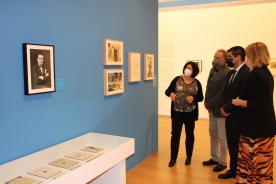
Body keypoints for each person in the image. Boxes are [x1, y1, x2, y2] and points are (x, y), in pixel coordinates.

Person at [232, 42, 276, 184]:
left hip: (255, 129)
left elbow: (259, 103)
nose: (245, 58)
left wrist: (240, 102)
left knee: (254, 164)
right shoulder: (265, 72)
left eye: (247, 55)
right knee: (261, 164)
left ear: (253, 56)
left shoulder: (255, 75)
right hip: (263, 126)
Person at [218, 46, 250, 179]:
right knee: (231, 143)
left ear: (238, 57)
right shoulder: (231, 73)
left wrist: (227, 108)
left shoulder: (247, 73)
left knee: (239, 145)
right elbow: (226, 93)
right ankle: (233, 169)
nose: (228, 59)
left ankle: (240, 172)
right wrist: (224, 107)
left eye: (230, 57)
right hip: (229, 115)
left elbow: (242, 95)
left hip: (239, 115)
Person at [165, 61, 204, 167]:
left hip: (190, 113)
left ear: (194, 70)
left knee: (189, 135)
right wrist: (171, 93)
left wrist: (194, 98)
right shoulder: (177, 79)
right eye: (187, 67)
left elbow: (201, 97)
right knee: (175, 135)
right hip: (177, 112)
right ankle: (173, 158)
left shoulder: (197, 83)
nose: (188, 69)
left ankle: (188, 157)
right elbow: (167, 90)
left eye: (190, 68)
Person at [203, 49, 230, 172]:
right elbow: (208, 87)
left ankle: (223, 161)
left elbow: (222, 92)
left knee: (222, 137)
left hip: (220, 109)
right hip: (211, 109)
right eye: (214, 56)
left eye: (217, 57)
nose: (214, 59)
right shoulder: (212, 70)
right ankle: (214, 157)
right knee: (213, 133)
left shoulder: (227, 72)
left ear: (224, 60)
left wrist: (210, 103)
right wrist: (206, 101)